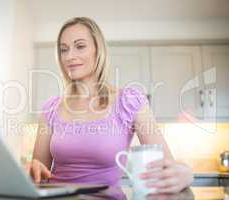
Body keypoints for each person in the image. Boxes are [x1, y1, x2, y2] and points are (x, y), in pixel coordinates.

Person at [26, 17, 194, 194]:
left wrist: (187, 173)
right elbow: (39, 174)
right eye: (63, 50)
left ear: (98, 51)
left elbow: (167, 166)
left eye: (80, 46)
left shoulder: (129, 101)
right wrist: (30, 170)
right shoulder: (51, 108)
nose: (69, 56)